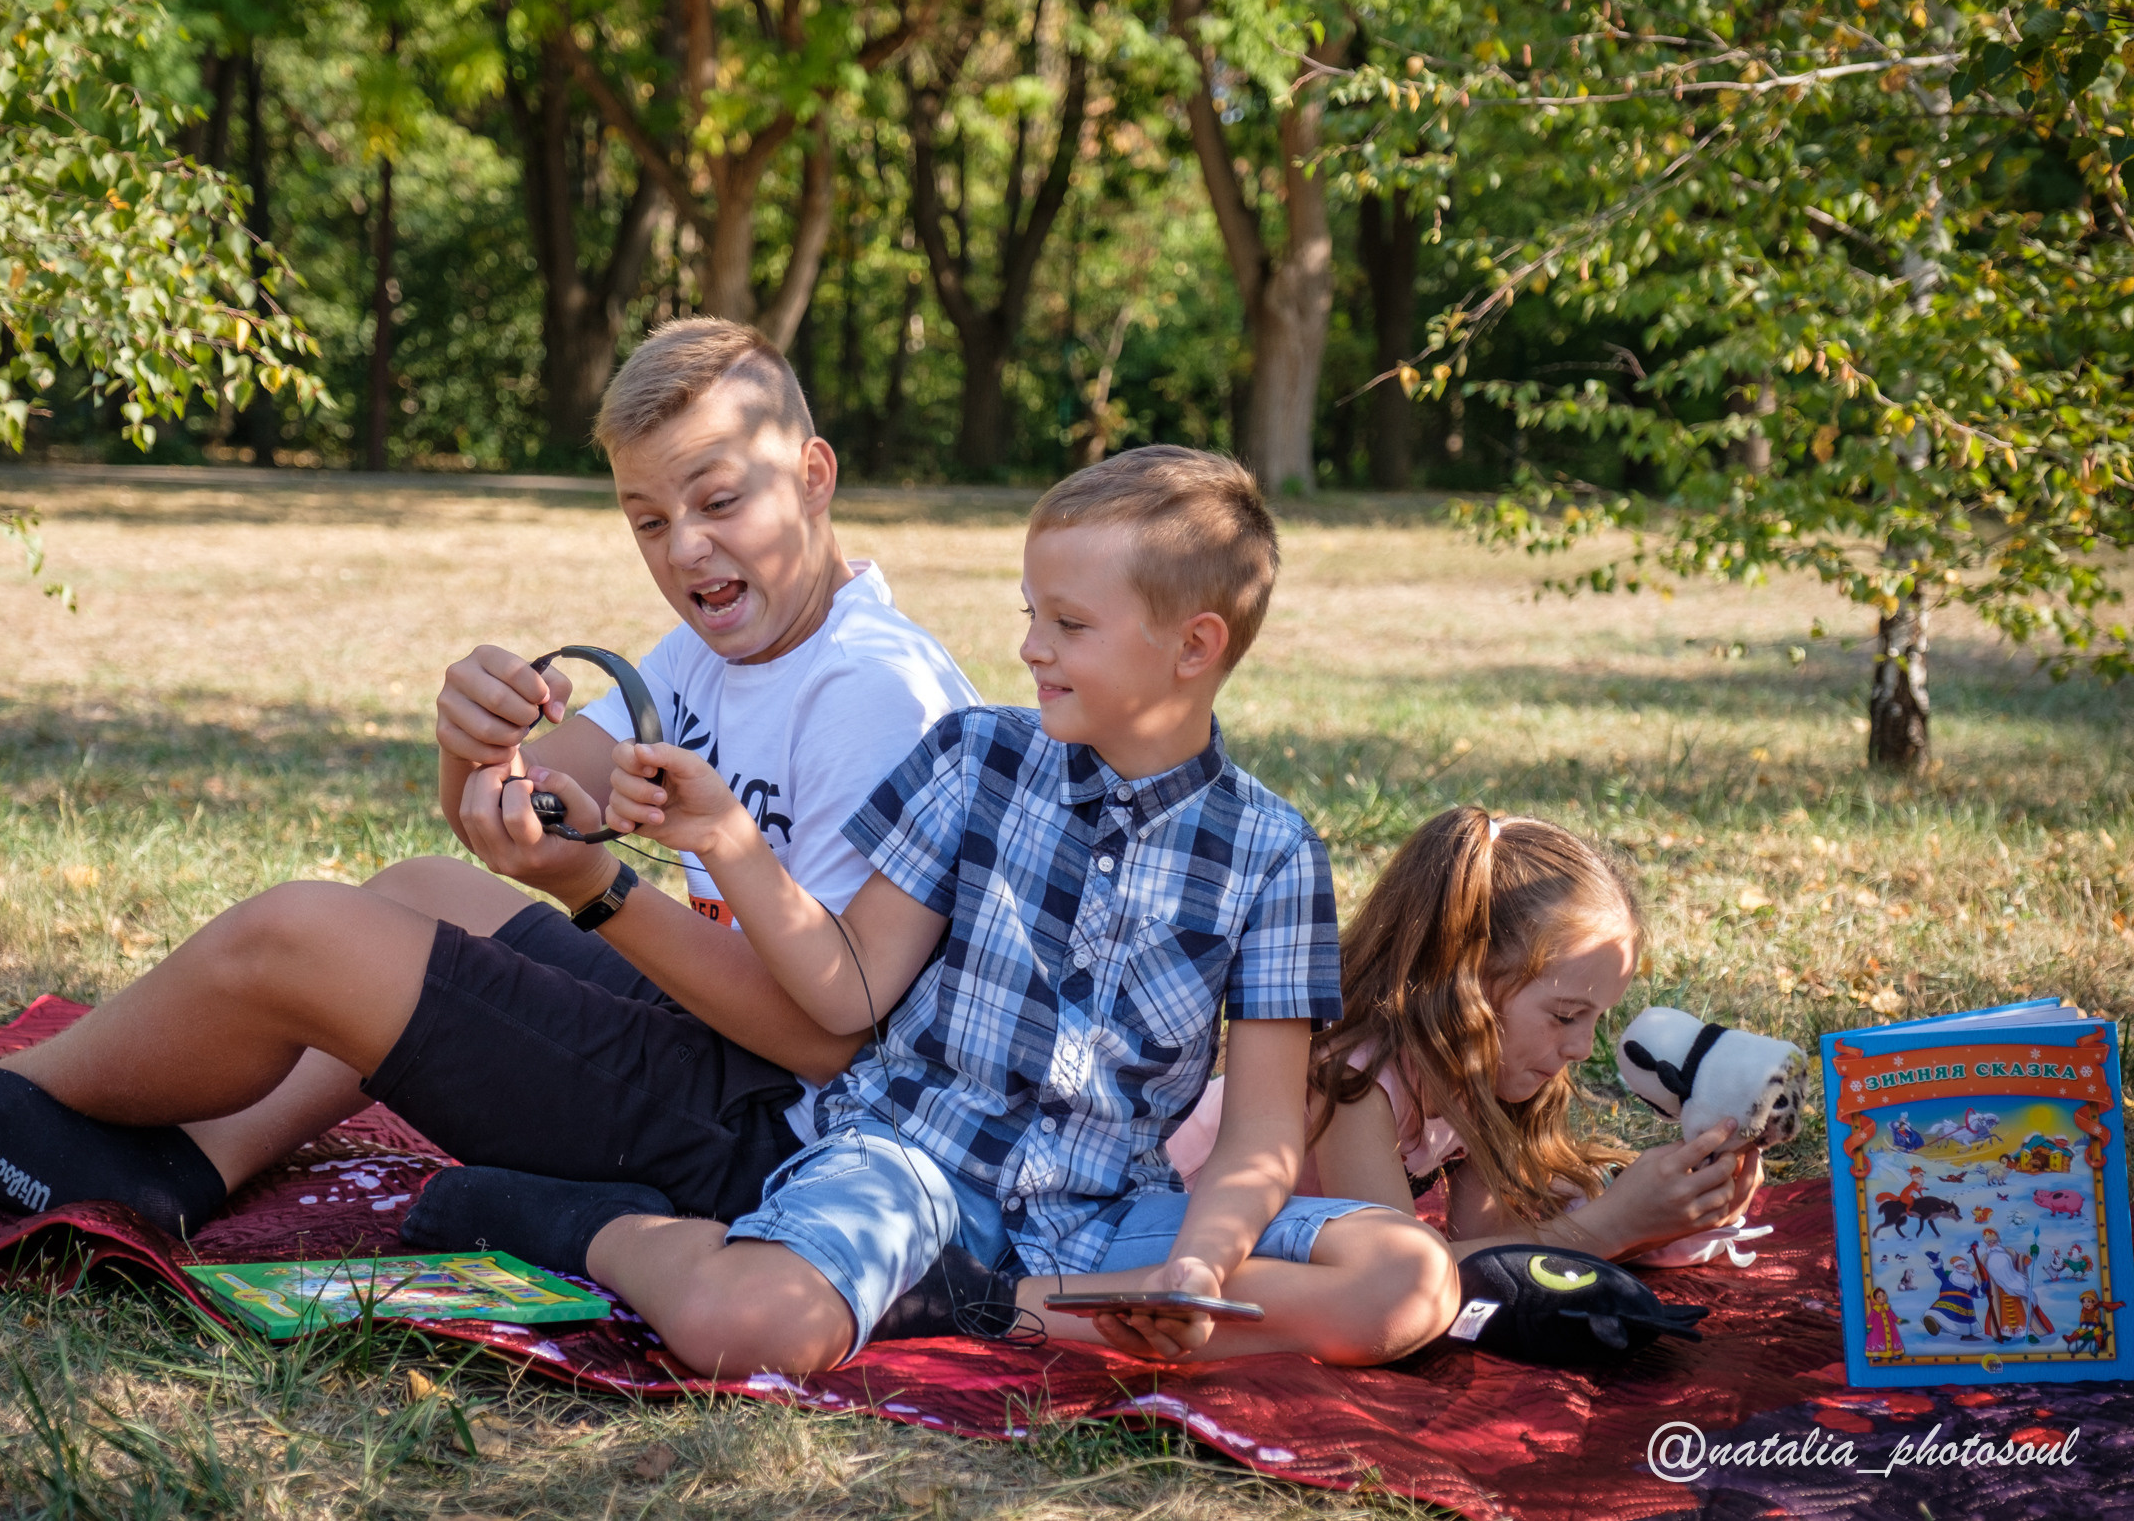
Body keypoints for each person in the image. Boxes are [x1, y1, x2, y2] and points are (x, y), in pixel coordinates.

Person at [0, 318, 979, 1240]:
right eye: (647, 520)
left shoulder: (870, 693)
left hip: (792, 1146)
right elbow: (516, 809)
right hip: (725, 1054)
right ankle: (183, 1169)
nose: (685, 548)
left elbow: (831, 1039)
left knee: (304, 935)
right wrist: (473, 737)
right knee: (418, 891)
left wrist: (596, 892)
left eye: (717, 501)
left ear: (813, 477)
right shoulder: (724, 644)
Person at [407, 447, 1460, 1376]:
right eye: (1030, 615)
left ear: (1194, 646)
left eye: (1069, 624)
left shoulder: (1274, 855)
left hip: (1103, 1216)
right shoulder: (973, 759)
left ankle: (980, 1307)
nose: (1032, 648)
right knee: (746, 1324)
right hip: (909, 1166)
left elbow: (1262, 1134)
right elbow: (846, 989)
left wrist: (1199, 1263)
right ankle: (599, 1227)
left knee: (1410, 1277)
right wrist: (727, 836)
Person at [1168, 807, 1766, 1266]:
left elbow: (1489, 1246)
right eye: (1565, 1016)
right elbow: (1394, 1272)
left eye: (1596, 1019)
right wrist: (1613, 1224)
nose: (1583, 1049)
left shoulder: (1486, 1074)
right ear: (1462, 984)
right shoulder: (1355, 1080)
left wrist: (1664, 1220)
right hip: (1176, 1224)